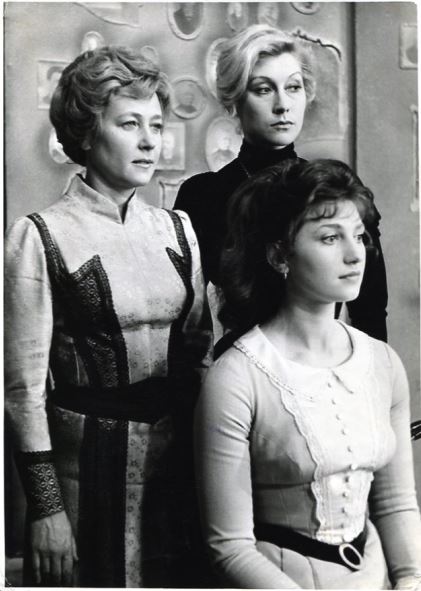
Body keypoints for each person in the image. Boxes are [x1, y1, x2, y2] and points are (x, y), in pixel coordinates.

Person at [5, 45, 212, 588]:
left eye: (156, 125)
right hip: (82, 479)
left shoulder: (178, 229)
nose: (149, 141)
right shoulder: (39, 235)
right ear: (87, 132)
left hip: (176, 475)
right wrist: (46, 510)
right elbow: (22, 391)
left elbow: (200, 359)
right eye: (129, 124)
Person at [194, 158, 421, 590]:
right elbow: (230, 547)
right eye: (330, 238)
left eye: (359, 236)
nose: (354, 254)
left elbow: (395, 504)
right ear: (280, 255)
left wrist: (411, 580)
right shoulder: (237, 377)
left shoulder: (382, 362)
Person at [174, 25, 388, 343]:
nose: (283, 105)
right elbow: (185, 321)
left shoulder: (334, 189)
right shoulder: (202, 194)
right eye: (263, 89)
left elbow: (370, 312)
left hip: (323, 362)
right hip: (239, 362)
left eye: (293, 87)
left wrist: (366, 369)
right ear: (235, 99)